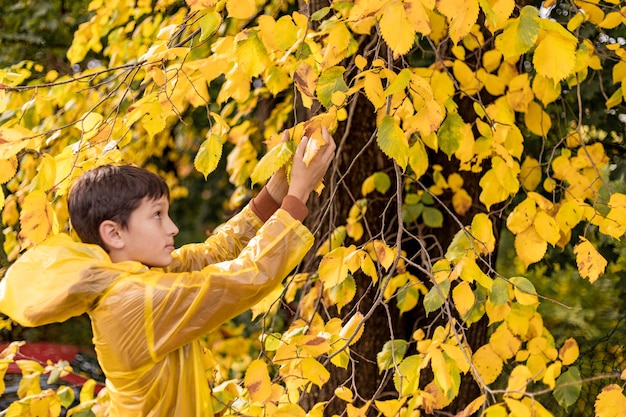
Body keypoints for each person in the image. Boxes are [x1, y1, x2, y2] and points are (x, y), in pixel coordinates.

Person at [0, 127, 336, 416]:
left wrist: (277, 191)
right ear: (114, 233)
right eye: (158, 215)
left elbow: (212, 255)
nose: (172, 227)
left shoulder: (134, 277)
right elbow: (241, 279)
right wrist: (298, 195)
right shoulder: (135, 300)